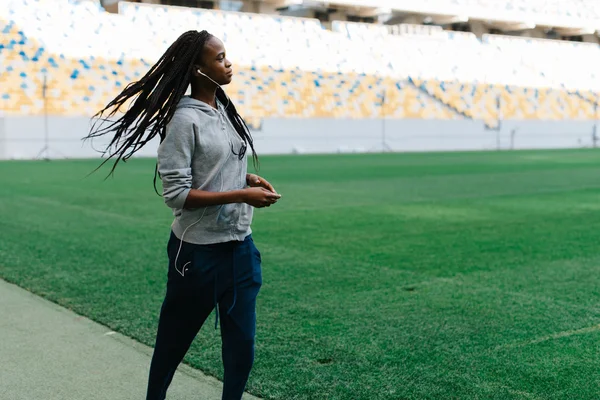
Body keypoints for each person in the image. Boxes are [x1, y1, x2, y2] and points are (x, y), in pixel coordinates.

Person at [84, 30, 281, 400]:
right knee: (173, 342)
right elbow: (177, 195)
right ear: (196, 69)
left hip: (240, 250)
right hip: (197, 254)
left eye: (227, 56)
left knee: (242, 348)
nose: (228, 63)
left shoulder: (223, 110)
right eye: (220, 58)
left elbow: (216, 167)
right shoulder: (180, 121)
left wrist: (247, 177)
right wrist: (241, 193)